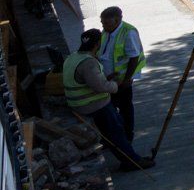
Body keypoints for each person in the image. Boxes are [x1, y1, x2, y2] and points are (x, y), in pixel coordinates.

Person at [61, 29, 150, 169]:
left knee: (117, 125)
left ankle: (123, 151)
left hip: (78, 103)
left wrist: (106, 78)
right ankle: (131, 161)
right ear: (98, 44)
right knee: (116, 131)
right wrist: (115, 85)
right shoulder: (89, 63)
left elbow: (87, 81)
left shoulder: (72, 57)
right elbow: (101, 87)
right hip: (92, 105)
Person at [99, 6, 144, 135]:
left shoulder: (128, 32)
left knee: (125, 108)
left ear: (117, 20)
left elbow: (134, 57)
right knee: (112, 107)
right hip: (109, 79)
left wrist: (126, 79)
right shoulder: (107, 31)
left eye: (106, 23)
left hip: (121, 80)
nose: (103, 26)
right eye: (102, 23)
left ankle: (127, 134)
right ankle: (118, 133)